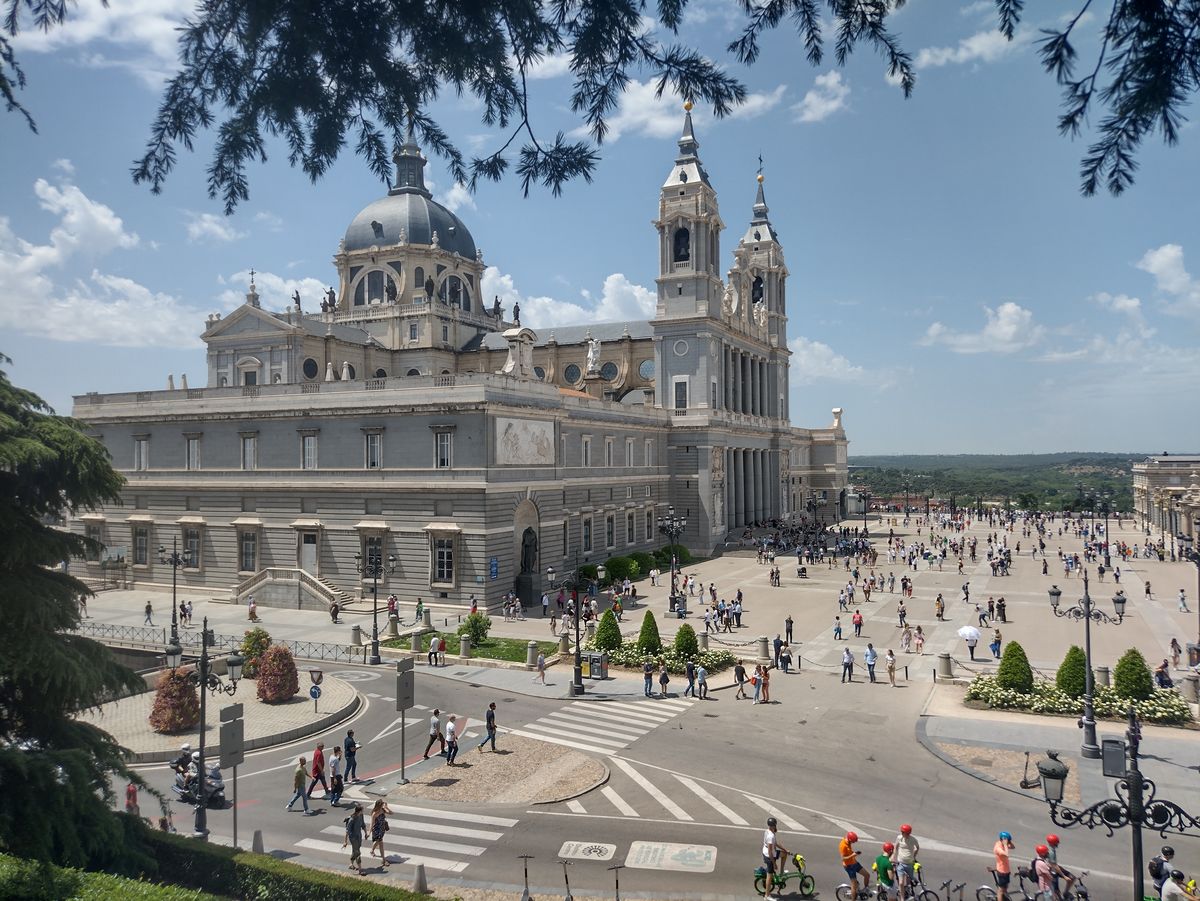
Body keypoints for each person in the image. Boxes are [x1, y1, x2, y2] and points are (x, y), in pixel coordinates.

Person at [762, 816, 789, 900]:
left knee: (784, 854)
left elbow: (776, 844)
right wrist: (774, 864)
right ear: (774, 825)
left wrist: (785, 850)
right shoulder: (771, 836)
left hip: (769, 851)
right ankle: (767, 896)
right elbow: (770, 852)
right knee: (769, 876)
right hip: (769, 855)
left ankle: (781, 872)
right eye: (775, 825)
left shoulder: (768, 831)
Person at [840, 831, 870, 899]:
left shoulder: (848, 842)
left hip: (854, 863)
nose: (854, 842)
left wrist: (854, 853)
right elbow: (843, 858)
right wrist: (853, 855)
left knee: (867, 875)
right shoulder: (843, 845)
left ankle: (866, 889)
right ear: (850, 839)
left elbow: (849, 852)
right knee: (854, 885)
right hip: (849, 867)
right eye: (853, 841)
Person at [1045, 834, 1075, 899]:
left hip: (1055, 869)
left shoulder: (1050, 849)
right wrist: (1064, 876)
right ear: (1053, 843)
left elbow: (1053, 864)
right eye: (1056, 842)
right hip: (1052, 872)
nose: (1058, 844)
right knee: (1056, 892)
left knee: (1072, 878)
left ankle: (1065, 893)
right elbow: (1054, 866)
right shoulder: (1051, 852)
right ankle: (1061, 894)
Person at [892, 824, 918, 899]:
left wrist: (914, 856)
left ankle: (908, 892)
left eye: (903, 832)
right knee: (901, 883)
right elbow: (895, 847)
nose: (902, 833)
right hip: (900, 864)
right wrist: (894, 857)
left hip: (910, 864)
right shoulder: (899, 837)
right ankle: (902, 899)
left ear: (908, 833)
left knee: (909, 881)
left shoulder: (913, 839)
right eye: (901, 832)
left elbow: (917, 847)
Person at [342, 802, 365, 874]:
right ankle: (360, 870)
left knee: (355, 851)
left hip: (359, 836)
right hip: (353, 837)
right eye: (362, 810)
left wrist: (366, 832)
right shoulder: (352, 819)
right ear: (359, 811)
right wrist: (345, 842)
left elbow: (363, 824)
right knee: (357, 852)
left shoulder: (361, 816)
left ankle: (351, 864)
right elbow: (347, 831)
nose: (363, 811)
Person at [992, 831, 1015, 901]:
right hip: (1002, 871)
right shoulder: (998, 848)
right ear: (1003, 840)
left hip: (1006, 870)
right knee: (1001, 890)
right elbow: (1006, 854)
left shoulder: (1001, 842)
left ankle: (1004, 897)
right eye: (1008, 841)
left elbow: (1013, 847)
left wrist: (1009, 842)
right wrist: (1005, 845)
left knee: (1005, 887)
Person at [369, 799, 391, 866]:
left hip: (382, 829)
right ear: (379, 805)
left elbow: (391, 813)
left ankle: (372, 850)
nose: (383, 805)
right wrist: (369, 832)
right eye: (382, 804)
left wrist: (386, 807)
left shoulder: (383, 810)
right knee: (380, 843)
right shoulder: (374, 813)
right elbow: (371, 823)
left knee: (378, 842)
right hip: (376, 830)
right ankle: (383, 860)